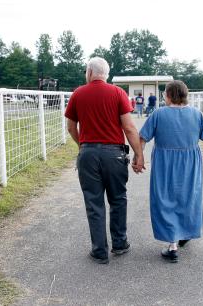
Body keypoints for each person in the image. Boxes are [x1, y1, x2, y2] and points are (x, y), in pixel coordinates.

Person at [64, 57, 145, 264]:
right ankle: (119, 244)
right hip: (114, 154)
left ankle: (99, 251)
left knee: (94, 203)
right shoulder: (118, 93)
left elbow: (71, 127)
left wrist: (82, 146)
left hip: (88, 153)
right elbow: (128, 127)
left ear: (89, 72)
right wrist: (138, 154)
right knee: (118, 199)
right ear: (106, 74)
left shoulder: (78, 94)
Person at [137, 80, 203, 263]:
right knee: (189, 196)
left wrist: (138, 157)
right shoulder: (196, 113)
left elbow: (143, 137)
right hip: (190, 163)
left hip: (164, 163)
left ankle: (172, 245)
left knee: (165, 198)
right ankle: (186, 231)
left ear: (168, 95)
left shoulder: (158, 114)